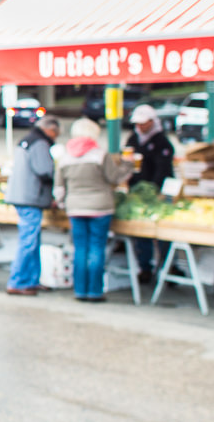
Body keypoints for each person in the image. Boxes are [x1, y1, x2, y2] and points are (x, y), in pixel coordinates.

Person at [57, 118, 134, 302]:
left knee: (80, 248)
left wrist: (62, 203)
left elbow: (59, 187)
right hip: (100, 207)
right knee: (97, 248)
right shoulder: (100, 155)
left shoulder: (65, 157)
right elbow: (114, 178)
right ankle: (95, 291)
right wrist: (128, 165)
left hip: (75, 208)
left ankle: (80, 291)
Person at [3, 115, 60, 295]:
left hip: (21, 195)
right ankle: (18, 282)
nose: (56, 137)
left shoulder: (26, 140)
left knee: (32, 240)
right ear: (50, 129)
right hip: (30, 197)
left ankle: (31, 280)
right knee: (28, 241)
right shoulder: (40, 143)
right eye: (56, 133)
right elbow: (44, 170)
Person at [124, 103, 175, 282]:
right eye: (137, 123)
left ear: (152, 121)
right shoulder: (133, 139)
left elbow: (163, 169)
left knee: (162, 232)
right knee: (141, 232)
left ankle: (168, 267)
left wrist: (155, 190)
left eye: (143, 123)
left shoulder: (162, 142)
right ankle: (145, 267)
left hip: (158, 193)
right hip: (138, 192)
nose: (140, 126)